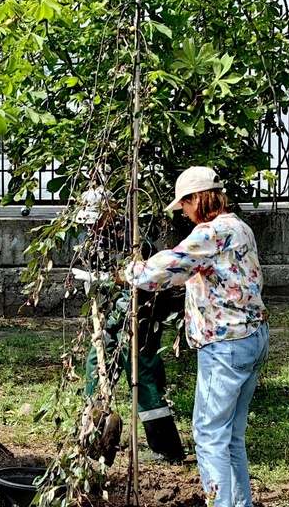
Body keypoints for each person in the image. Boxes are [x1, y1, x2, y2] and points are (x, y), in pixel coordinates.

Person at [124, 166, 269, 507]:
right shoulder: (239, 227)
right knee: (231, 437)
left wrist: (130, 271)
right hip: (252, 337)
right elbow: (191, 269)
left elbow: (167, 267)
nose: (185, 214)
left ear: (197, 199)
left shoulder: (211, 232)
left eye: (185, 206)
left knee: (208, 436)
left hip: (226, 344)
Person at [72, 187, 186, 465]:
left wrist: (106, 282)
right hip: (111, 314)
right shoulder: (94, 237)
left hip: (141, 315)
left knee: (144, 377)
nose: (91, 226)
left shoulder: (133, 241)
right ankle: (95, 437)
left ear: (110, 211)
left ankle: (167, 450)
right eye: (87, 221)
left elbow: (141, 282)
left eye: (95, 220)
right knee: (96, 368)